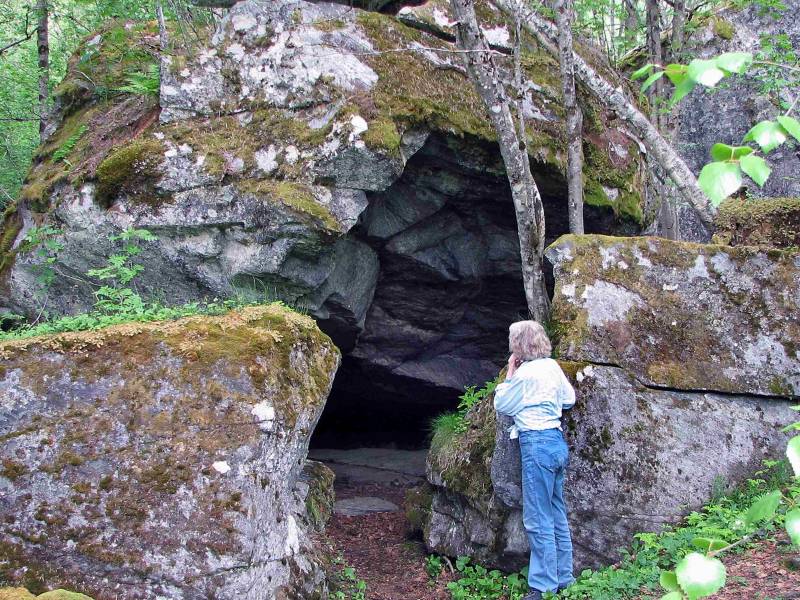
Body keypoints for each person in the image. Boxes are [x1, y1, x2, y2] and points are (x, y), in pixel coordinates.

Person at [493, 320, 575, 600]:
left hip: (537, 444)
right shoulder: (552, 367)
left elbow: (502, 404)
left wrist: (510, 374)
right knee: (556, 513)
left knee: (538, 519)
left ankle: (543, 587)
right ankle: (564, 578)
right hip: (555, 441)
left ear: (518, 346)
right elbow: (569, 399)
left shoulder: (525, 374)